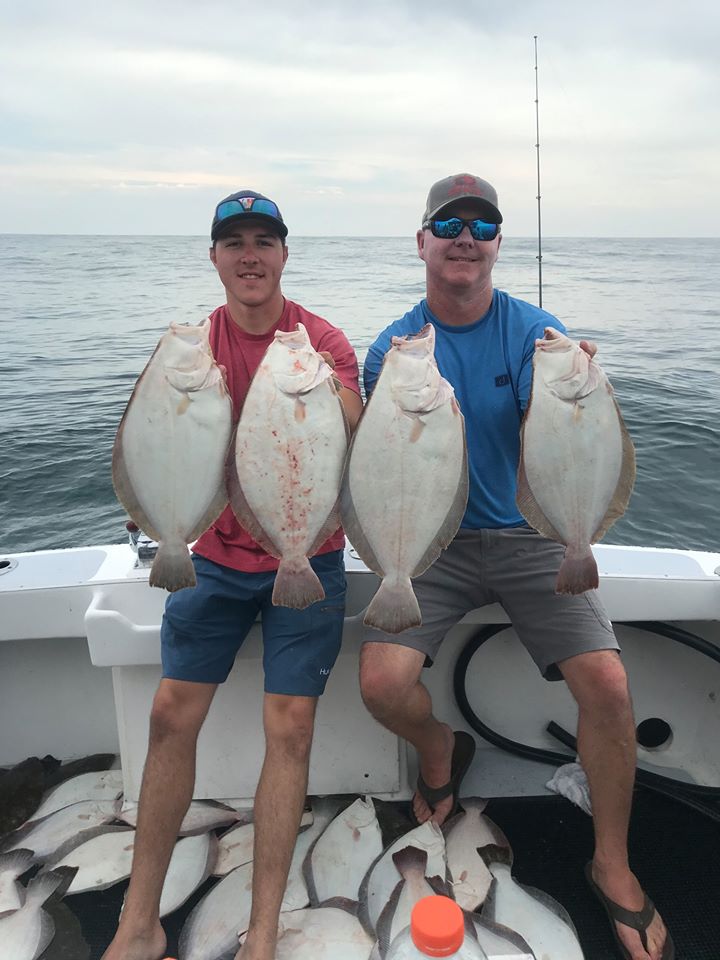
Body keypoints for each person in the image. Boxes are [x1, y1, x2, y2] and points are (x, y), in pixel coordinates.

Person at [359, 174, 672, 960]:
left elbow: (571, 442)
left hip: (536, 538)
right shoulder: (394, 349)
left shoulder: (537, 332)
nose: (466, 236)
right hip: (431, 540)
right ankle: (439, 749)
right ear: (422, 240)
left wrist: (583, 389)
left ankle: (612, 863)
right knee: (381, 684)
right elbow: (374, 469)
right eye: (449, 222)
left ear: (498, 244)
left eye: (484, 224)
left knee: (607, 684)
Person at [102, 190, 363, 960]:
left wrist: (328, 385)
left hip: (305, 558)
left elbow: (356, 419)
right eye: (234, 242)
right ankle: (139, 922)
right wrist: (155, 504)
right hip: (210, 559)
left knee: (292, 727)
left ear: (286, 254)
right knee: (168, 716)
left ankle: (260, 931)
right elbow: (147, 441)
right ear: (213, 257)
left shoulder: (324, 340)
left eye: (264, 241)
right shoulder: (190, 348)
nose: (250, 254)